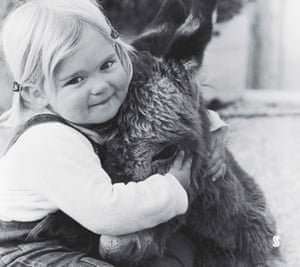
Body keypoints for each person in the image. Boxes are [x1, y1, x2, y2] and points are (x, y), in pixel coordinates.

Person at [0, 0, 228, 266]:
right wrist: (172, 189)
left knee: (181, 249)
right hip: (28, 251)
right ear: (35, 93)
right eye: (76, 80)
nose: (101, 86)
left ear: (117, 51)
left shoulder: (92, 104)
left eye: (106, 65)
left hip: (77, 241)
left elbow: (167, 102)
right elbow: (106, 212)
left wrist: (212, 131)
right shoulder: (48, 141)